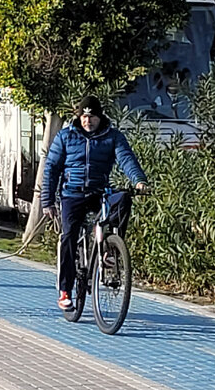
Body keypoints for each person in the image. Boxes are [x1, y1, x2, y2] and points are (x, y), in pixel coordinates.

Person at [41, 95, 148, 312]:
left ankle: (109, 249)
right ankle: (65, 291)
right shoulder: (66, 136)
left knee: (123, 199)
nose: (87, 121)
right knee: (69, 237)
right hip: (72, 194)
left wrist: (138, 180)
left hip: (99, 192)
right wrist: (48, 200)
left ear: (100, 117)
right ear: (79, 117)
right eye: (84, 116)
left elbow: (126, 158)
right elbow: (51, 168)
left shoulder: (113, 137)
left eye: (92, 117)